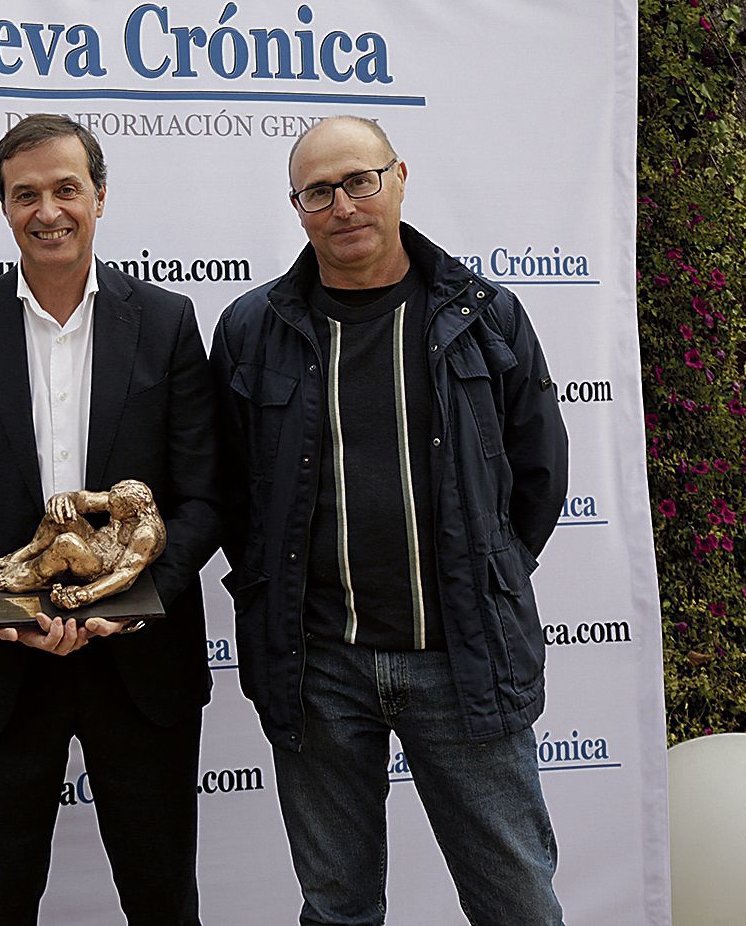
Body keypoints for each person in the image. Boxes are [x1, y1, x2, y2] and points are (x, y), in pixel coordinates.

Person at [210, 116, 570, 926]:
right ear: (297, 207)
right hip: (317, 666)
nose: (343, 205)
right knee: (337, 907)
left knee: (517, 903)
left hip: (462, 660)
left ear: (399, 177)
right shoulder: (251, 331)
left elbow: (539, 474)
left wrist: (486, 573)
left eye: (359, 181)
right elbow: (232, 492)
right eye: (318, 191)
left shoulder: (487, 316)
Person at [0, 114, 220, 926]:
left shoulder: (166, 322)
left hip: (142, 667)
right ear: (4, 207)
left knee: (164, 902)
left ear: (100, 196)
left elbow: (204, 495)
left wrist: (130, 601)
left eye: (66, 189)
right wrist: (5, 608)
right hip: (8, 667)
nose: (48, 211)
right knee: (0, 903)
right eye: (26, 194)